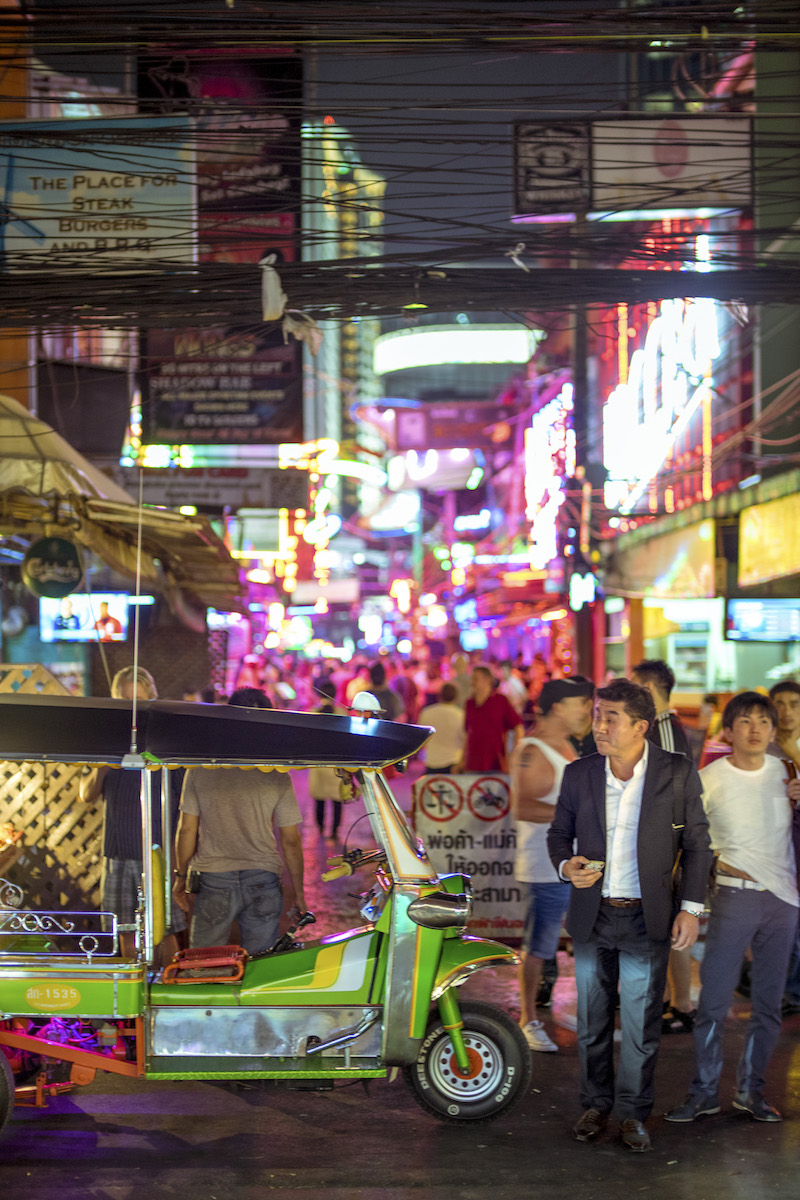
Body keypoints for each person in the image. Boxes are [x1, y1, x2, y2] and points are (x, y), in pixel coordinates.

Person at [547, 677, 712, 1153]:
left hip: (647, 917)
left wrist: (690, 909)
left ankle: (633, 1114)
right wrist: (566, 865)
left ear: (640, 726)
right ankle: (595, 1105)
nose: (598, 726)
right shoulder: (579, 773)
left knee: (641, 1026)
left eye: (610, 718)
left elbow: (697, 845)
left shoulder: (676, 772)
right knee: (592, 1021)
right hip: (593, 915)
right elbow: (558, 834)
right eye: (597, 716)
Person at [665, 691, 800, 1125]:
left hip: (784, 901)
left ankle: (752, 1091)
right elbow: (686, 841)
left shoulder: (788, 773)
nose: (755, 729)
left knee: (768, 1004)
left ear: (773, 731)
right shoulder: (709, 778)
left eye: (763, 722)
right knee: (714, 1001)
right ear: (728, 730)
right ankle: (704, 1091)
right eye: (745, 721)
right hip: (733, 896)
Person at [172, 686, 305, 956]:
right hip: (263, 877)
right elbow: (290, 840)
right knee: (260, 965)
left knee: (204, 963)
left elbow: (187, 830)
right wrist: (300, 893)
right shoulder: (277, 774)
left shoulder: (201, 769)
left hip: (213, 879)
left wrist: (180, 877)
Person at [511, 678, 594, 1052]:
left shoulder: (565, 745)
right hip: (545, 866)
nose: (586, 711)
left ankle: (580, 1010)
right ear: (559, 707)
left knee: (583, 938)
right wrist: (577, 815)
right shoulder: (533, 750)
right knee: (540, 944)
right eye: (581, 703)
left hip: (572, 864)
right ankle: (527, 1020)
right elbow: (523, 806)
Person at [80, 666, 183, 962]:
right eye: (126, 700)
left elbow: (183, 801)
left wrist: (178, 859)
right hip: (117, 853)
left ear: (151, 699)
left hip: (156, 851)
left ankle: (168, 982)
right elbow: (86, 794)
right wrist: (104, 762)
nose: (133, 707)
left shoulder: (164, 741)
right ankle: (133, 984)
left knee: (165, 927)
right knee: (125, 929)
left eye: (140, 700)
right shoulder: (106, 738)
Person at [632, 659, 695, 1036]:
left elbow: (674, 791)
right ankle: (673, 1001)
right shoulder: (660, 727)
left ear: (651, 690)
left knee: (673, 926)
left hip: (667, 845)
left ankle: (682, 1005)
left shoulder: (666, 728)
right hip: (661, 843)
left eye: (637, 688)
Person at [767, 680, 800, 1017]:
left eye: (794, 704)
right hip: (776, 848)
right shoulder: (764, 750)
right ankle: (786, 988)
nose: (787, 711)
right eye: (780, 703)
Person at [461, 664, 522, 773]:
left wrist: (515, 755)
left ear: (487, 680)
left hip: (496, 763)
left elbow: (518, 726)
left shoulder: (500, 700)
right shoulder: (469, 703)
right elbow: (467, 734)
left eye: (475, 679)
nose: (472, 682)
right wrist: (462, 760)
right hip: (472, 764)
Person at [631, 659, 691, 757]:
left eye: (634, 688)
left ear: (648, 688)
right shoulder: (655, 725)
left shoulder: (667, 729)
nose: (630, 695)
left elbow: (670, 766)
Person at [308, 680, 344, 841]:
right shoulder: (342, 713)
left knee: (319, 800)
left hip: (318, 764)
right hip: (337, 764)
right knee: (337, 800)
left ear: (318, 694)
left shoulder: (312, 713)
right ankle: (335, 831)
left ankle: (321, 828)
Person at [418, 682, 465, 774]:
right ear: (456, 697)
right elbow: (464, 738)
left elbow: (421, 738)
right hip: (453, 761)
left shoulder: (427, 712)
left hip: (432, 760)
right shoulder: (461, 715)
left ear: (439, 696)